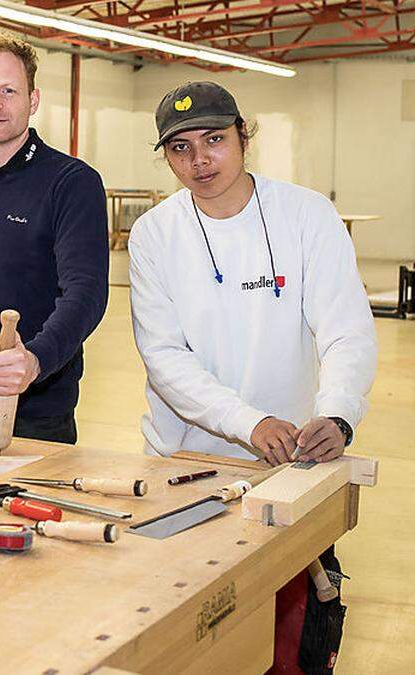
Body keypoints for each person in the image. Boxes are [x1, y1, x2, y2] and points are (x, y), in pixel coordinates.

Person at [129, 80, 377, 674]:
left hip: (289, 469)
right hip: (185, 467)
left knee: (289, 638)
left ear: (244, 137)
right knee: (192, 640)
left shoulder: (307, 215)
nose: (200, 160)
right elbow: (164, 356)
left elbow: (345, 327)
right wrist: (248, 421)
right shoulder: (155, 235)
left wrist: (339, 410)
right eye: (181, 148)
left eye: (215, 139)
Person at [0, 33, 108, 444]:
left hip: (38, 404)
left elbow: (86, 291)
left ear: (32, 101)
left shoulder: (71, 182)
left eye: (9, 91)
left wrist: (36, 359)